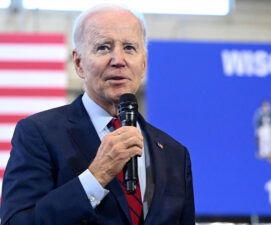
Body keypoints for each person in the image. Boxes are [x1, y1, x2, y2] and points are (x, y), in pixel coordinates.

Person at [0, 4, 195, 225]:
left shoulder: (175, 154)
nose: (118, 60)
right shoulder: (38, 133)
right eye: (103, 47)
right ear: (79, 63)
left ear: (143, 63)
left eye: (130, 47)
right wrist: (95, 177)